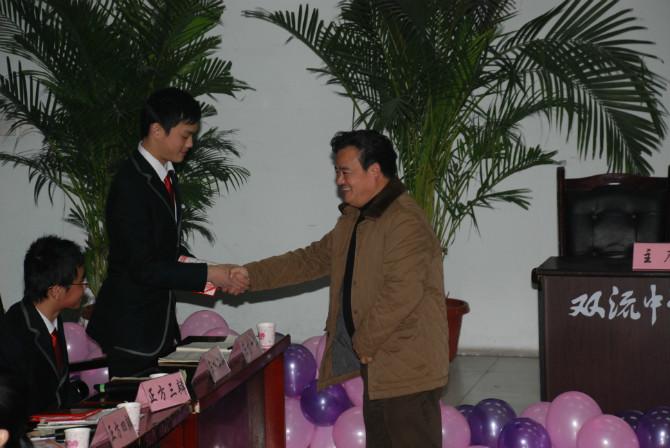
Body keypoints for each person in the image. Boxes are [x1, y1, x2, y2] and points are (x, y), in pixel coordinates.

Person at [237, 130, 449, 447]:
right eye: (338, 171)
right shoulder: (356, 218)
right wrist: (246, 275)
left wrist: (363, 342)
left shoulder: (404, 221)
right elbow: (309, 260)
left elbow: (401, 292)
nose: (339, 181)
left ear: (374, 171)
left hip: (407, 366)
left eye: (345, 171)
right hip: (378, 363)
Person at [87, 87, 248, 377]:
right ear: (157, 130)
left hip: (156, 330)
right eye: (185, 135)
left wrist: (214, 273)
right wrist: (210, 275)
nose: (190, 144)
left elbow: (169, 251)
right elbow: (144, 267)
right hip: (132, 333)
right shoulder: (131, 184)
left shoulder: (165, 176)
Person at [0, 235, 87, 415]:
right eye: (80, 282)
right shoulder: (14, 331)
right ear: (56, 291)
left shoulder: (53, 319)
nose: (84, 288)